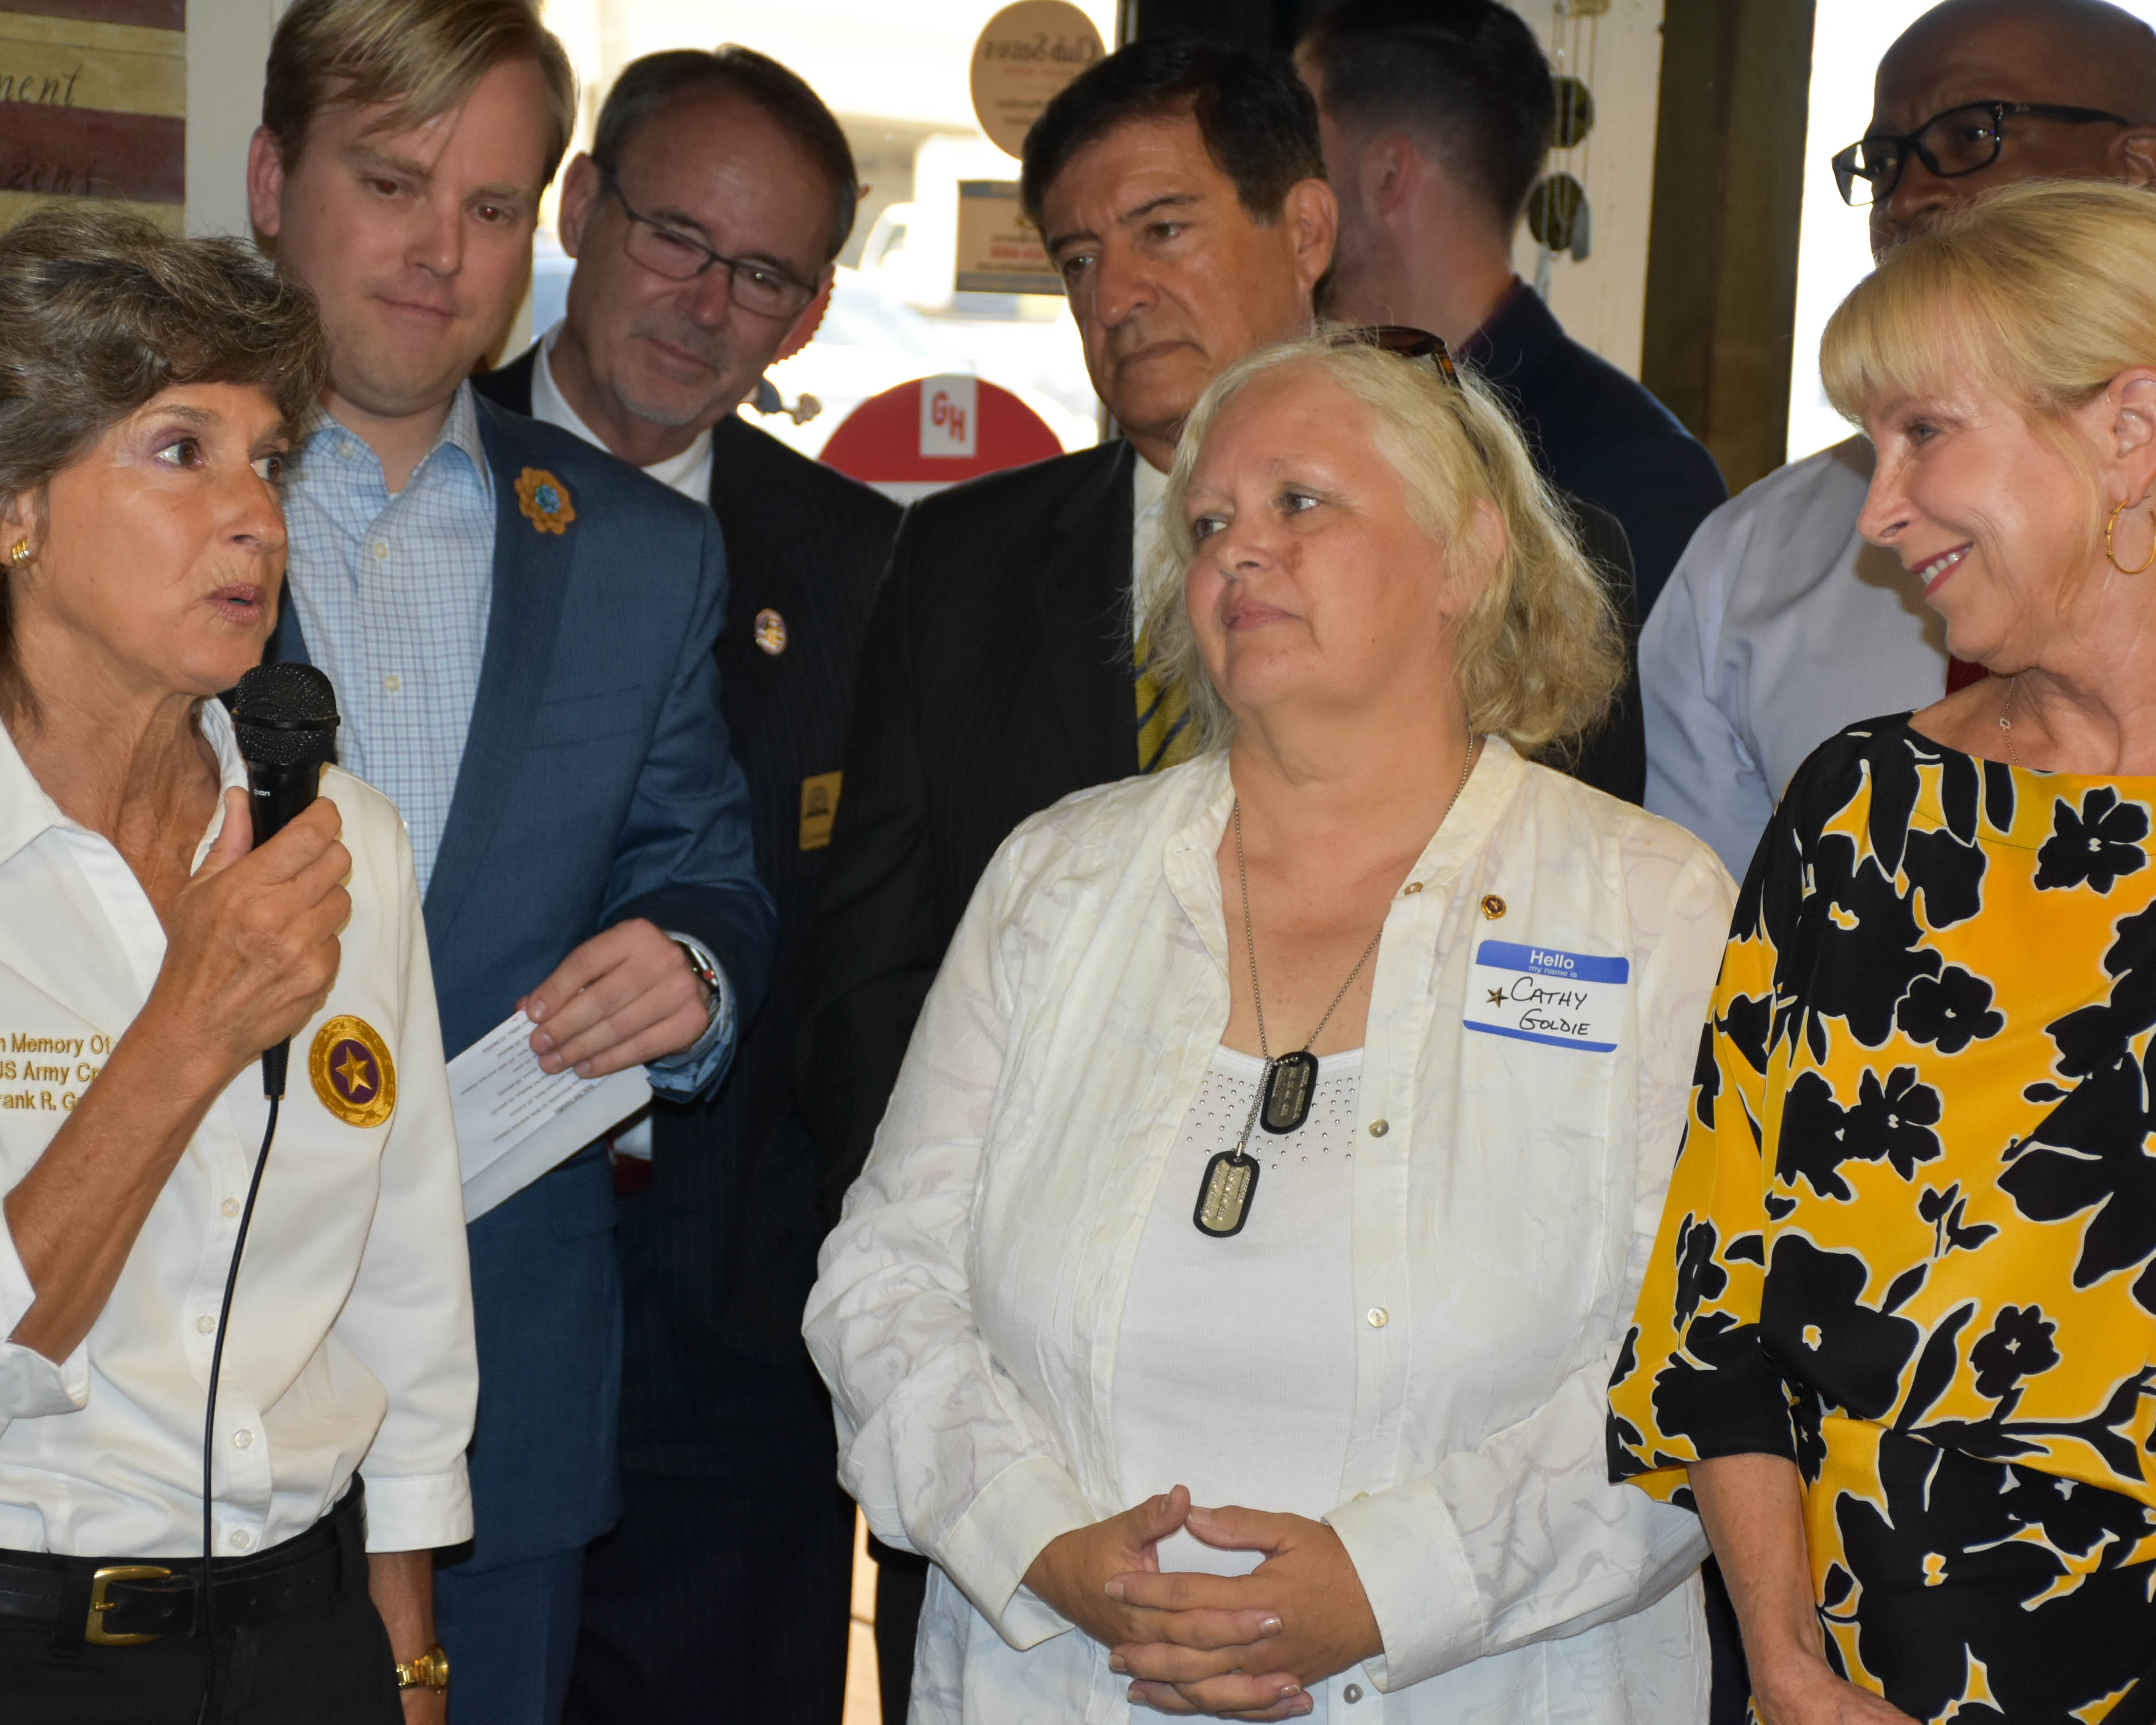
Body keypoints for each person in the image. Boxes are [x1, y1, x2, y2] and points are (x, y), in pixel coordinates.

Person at [807, 329, 1734, 1722]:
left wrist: (1389, 1585)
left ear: (1469, 555)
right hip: (1064, 1677)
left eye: (1301, 501)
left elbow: (1709, 1359)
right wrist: (1035, 1541)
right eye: (1207, 524)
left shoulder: (1646, 906)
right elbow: (882, 1283)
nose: (1238, 551)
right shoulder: (1059, 877)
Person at [244, 3, 777, 1720]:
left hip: (502, 1393)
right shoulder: (136, 505)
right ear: (271, 183)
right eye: (390, 184)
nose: (439, 252)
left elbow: (706, 869)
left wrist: (692, 965)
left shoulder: (640, 552)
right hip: (167, 1376)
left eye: (488, 207)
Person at [1612, 178, 2156, 1723]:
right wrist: (1782, 1663)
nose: (1874, 509)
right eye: (1870, 446)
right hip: (1865, 1682)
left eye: (1923, 434)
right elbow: (1715, 1292)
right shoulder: (1860, 808)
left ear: (2126, 430)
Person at [471, 45, 899, 1725]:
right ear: (582, 207)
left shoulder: (861, 565)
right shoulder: (390, 472)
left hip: (729, 1316)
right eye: (673, 239)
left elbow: (873, 954)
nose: (706, 303)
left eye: (763, 275)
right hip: (444, 1283)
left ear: (808, 313)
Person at [0, 206, 473, 1722]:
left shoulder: (338, 833)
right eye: (179, 451)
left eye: (269, 459)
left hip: (307, 1640)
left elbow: (402, 1276)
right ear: (15, 510)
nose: (255, 516)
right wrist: (187, 1032)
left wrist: (408, 1657)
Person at [1641, 0, 2156, 880]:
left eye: (1971, 134)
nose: (1909, 194)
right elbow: (1694, 927)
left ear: (2136, 168)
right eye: (1881, 163)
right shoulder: (1750, 558)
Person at [1295, 0, 1725, 621]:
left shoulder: (1632, 473)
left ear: (1388, 174)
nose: (1281, 188)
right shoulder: (1292, 412)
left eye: (1303, 150)